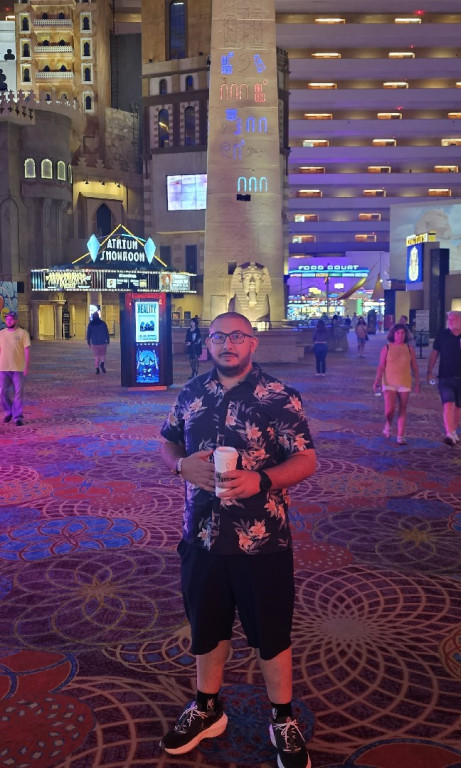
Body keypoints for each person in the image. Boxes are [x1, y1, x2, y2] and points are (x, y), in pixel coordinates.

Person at [160, 311, 316, 768]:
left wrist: (261, 480)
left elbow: (306, 460)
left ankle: (282, 718)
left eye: (237, 336)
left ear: (253, 343)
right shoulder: (191, 393)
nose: (227, 344)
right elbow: (168, 441)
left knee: (271, 633)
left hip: (262, 540)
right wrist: (180, 466)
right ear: (207, 343)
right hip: (201, 536)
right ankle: (208, 708)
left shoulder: (280, 396)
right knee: (206, 628)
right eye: (219, 337)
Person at [373, 323, 420, 444]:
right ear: (393, 334)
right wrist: (377, 380)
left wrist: (417, 382)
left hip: (405, 381)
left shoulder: (409, 349)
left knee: (403, 409)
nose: (400, 335)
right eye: (398, 333)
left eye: (403, 333)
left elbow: (414, 367)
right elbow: (381, 366)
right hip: (389, 381)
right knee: (390, 410)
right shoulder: (387, 348)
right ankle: (388, 424)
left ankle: (400, 435)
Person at [426, 310, 461, 446]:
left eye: (453, 319)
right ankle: (449, 433)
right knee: (448, 404)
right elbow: (435, 353)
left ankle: (453, 431)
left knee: (458, 407)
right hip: (445, 376)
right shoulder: (442, 335)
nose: (450, 322)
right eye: (449, 319)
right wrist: (430, 371)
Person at [0, 310, 31, 427]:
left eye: (11, 319)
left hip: (18, 368)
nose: (9, 321)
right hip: (3, 368)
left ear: (16, 320)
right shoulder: (1, 333)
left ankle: (17, 417)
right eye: (7, 319)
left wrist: (26, 367)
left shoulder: (23, 333)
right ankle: (9, 411)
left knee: (18, 393)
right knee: (2, 392)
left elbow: (27, 351)